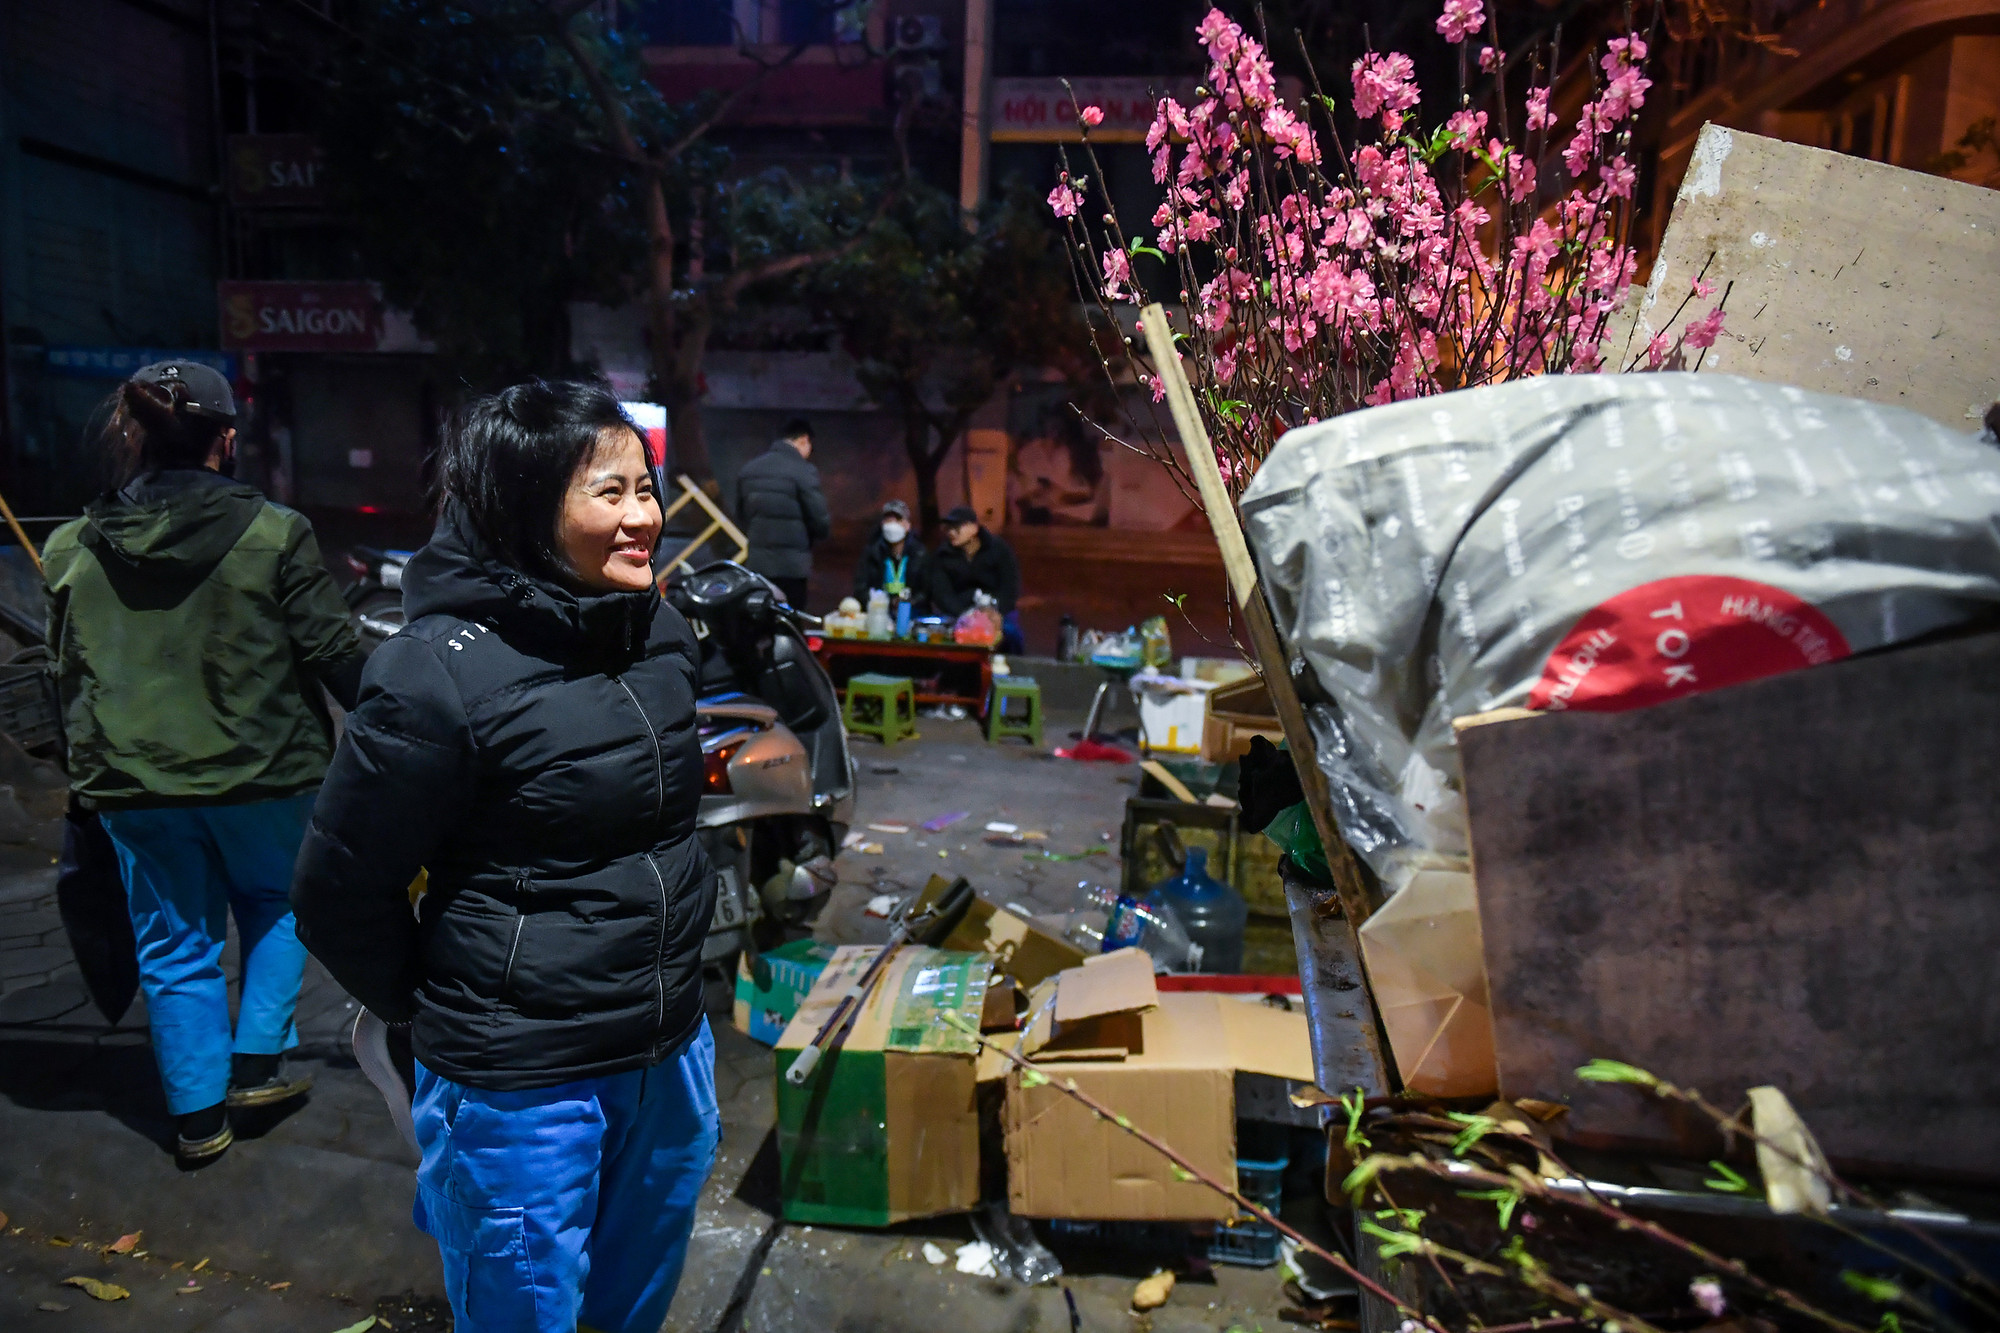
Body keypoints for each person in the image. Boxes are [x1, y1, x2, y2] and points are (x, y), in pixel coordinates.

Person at [290, 381, 718, 1333]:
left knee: (630, 1313)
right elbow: (336, 892)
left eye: (646, 488)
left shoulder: (657, 629)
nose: (643, 516)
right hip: (522, 1091)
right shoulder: (435, 671)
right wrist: (453, 1007)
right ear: (525, 507)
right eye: (609, 494)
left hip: (667, 1056)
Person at [43, 360, 365, 1161]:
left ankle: (196, 1120)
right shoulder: (274, 534)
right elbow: (336, 656)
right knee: (281, 905)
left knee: (172, 943)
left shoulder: (70, 548)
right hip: (268, 776)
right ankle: (257, 1064)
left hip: (134, 782)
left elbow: (66, 673)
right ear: (226, 440)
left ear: (135, 436)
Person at [733, 416, 828, 609]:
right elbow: (820, 521)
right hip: (793, 568)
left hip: (759, 565)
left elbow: (742, 516)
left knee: (761, 622)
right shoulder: (804, 471)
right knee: (790, 623)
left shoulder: (750, 470)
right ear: (804, 440)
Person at [929, 505, 1024, 652]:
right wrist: (965, 615)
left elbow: (1010, 586)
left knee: (1012, 634)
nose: (951, 532)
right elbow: (942, 594)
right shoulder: (943, 555)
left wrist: (996, 612)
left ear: (974, 528)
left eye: (957, 527)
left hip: (995, 610)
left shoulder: (998, 549)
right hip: (959, 613)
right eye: (949, 528)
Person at [851, 498, 930, 610]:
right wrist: (883, 602)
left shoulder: (919, 553)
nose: (892, 524)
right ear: (882, 524)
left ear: (907, 525)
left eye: (897, 519)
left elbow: (926, 590)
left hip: (912, 612)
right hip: (879, 612)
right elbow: (860, 588)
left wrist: (910, 602)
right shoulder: (872, 553)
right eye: (888, 520)